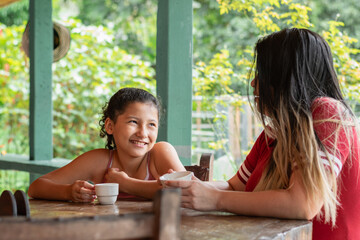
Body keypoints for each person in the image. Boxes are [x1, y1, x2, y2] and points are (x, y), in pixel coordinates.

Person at [165, 28, 360, 239]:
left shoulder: (328, 113)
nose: (253, 83)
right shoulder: (274, 133)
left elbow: (302, 204)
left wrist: (213, 198)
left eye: (262, 74)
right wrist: (193, 187)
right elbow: (234, 186)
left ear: (285, 76)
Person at [28, 87, 185, 202]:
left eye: (151, 124)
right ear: (110, 126)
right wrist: (68, 191)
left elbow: (184, 190)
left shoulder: (160, 152)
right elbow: (36, 187)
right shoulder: (100, 161)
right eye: (133, 122)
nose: (143, 133)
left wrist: (125, 184)